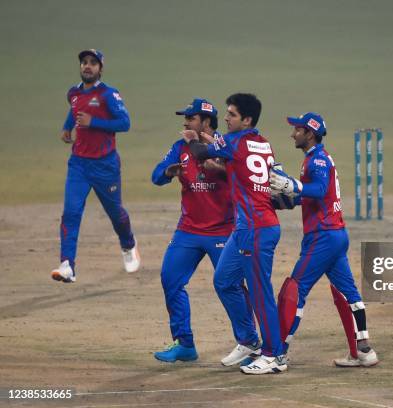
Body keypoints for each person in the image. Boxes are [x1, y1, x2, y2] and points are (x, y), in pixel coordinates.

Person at [183, 93, 285, 375]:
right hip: (247, 228)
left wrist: (192, 138)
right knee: (224, 280)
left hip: (257, 229)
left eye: (232, 114)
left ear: (247, 120)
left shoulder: (233, 142)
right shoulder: (263, 144)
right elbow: (228, 155)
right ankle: (249, 342)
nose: (226, 118)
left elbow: (202, 154)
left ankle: (274, 355)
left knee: (261, 293)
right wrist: (206, 138)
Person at [269, 112, 379, 367]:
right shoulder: (314, 159)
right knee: (346, 292)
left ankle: (277, 354)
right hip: (335, 235)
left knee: (294, 289)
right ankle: (363, 351)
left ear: (310, 133)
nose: (292, 133)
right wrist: (284, 197)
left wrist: (292, 185)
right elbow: (309, 195)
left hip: (323, 236)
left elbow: (318, 190)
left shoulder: (317, 160)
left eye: (297, 129)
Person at [151, 99, 234, 362]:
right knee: (171, 280)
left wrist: (218, 169)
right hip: (188, 231)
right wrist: (168, 171)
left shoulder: (224, 146)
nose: (185, 122)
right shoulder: (180, 147)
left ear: (207, 122)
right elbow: (155, 176)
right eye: (185, 117)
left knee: (231, 287)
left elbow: (240, 175)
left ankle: (250, 341)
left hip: (223, 231)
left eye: (191, 118)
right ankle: (185, 344)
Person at [52, 49, 139, 283]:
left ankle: (128, 244)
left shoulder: (109, 94)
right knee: (71, 212)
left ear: (100, 68)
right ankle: (67, 265)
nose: (87, 66)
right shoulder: (73, 93)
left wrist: (94, 122)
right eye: (84, 63)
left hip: (105, 165)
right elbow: (75, 111)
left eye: (92, 63)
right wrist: (67, 126)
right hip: (78, 164)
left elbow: (125, 123)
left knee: (116, 214)